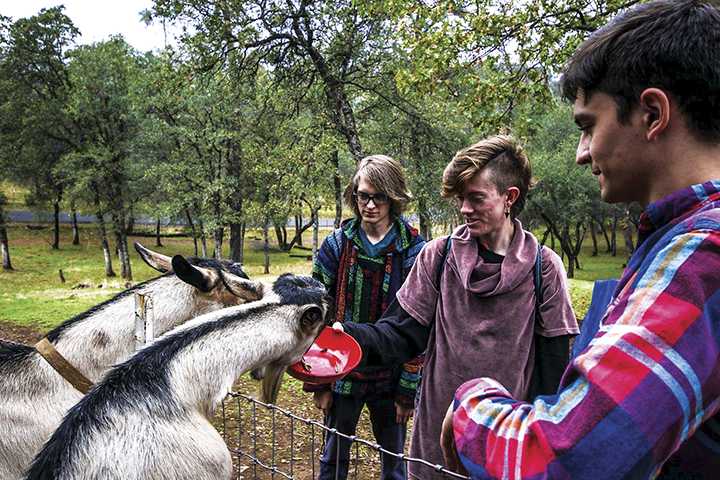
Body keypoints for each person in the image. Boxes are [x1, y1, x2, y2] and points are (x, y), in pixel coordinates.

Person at [441, 1, 720, 478]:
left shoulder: (700, 258)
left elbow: (565, 456)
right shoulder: (673, 243)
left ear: (652, 114)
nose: (581, 153)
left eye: (589, 126)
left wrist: (471, 405)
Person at [337, 135, 578, 479]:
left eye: (476, 198)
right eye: (462, 198)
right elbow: (402, 333)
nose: (465, 209)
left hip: (506, 448)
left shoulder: (543, 268)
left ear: (509, 197)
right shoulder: (439, 256)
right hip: (436, 443)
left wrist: (539, 453)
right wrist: (352, 336)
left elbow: (553, 372)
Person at [307, 155, 426, 480]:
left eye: (379, 197)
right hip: (340, 373)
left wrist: (407, 392)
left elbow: (419, 325)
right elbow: (316, 314)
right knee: (332, 462)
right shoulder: (336, 245)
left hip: (391, 376)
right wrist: (320, 382)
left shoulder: (414, 251)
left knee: (394, 465)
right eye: (363, 196)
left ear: (394, 197)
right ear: (354, 195)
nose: (370, 205)